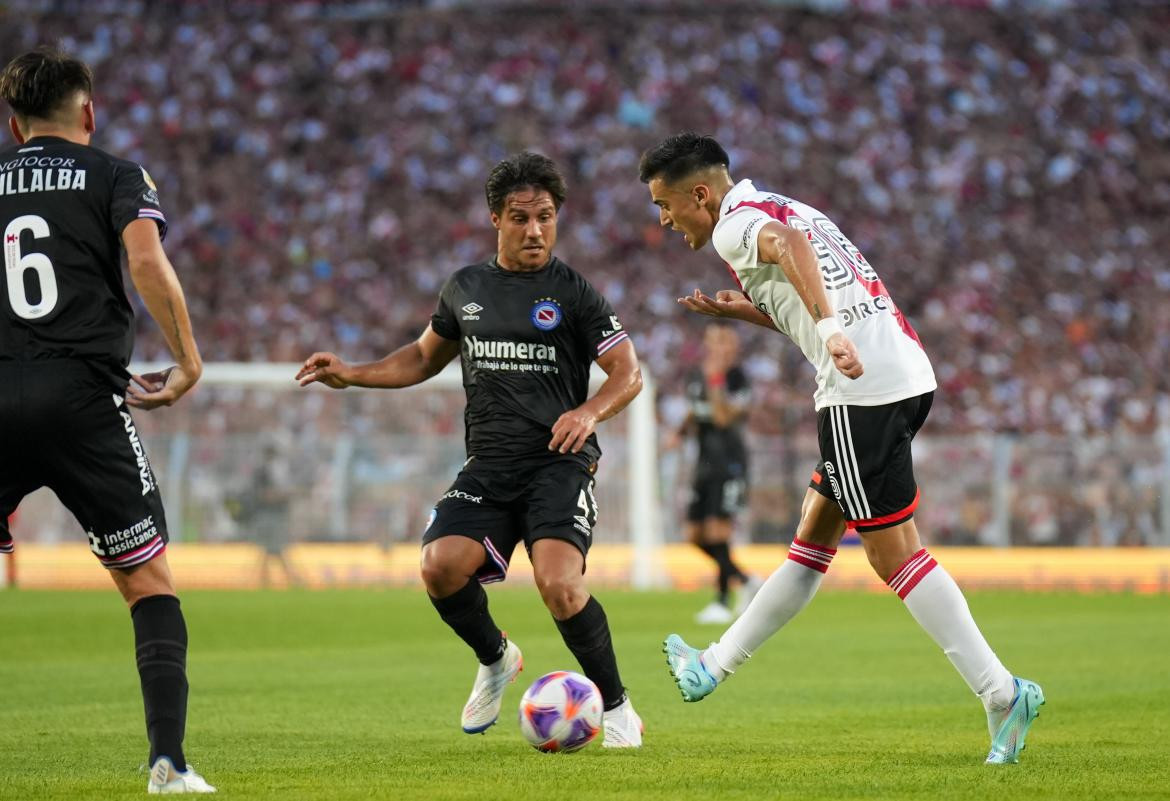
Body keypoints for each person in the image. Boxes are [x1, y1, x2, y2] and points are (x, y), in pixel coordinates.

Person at [639, 132, 1043, 765]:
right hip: (903, 372)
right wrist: (743, 313)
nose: (664, 221)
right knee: (812, 540)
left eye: (665, 205)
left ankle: (1002, 692)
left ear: (700, 192)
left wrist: (829, 335)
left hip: (860, 392)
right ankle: (711, 665)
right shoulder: (787, 205)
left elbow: (792, 257)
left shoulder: (736, 226)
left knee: (893, 556)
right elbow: (808, 278)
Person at [298, 152, 646, 747]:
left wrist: (588, 412)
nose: (534, 230)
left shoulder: (575, 293)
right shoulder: (466, 287)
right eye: (520, 218)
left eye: (545, 217)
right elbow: (421, 358)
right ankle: (496, 658)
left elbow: (628, 372)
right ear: (495, 219)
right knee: (438, 567)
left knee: (560, 586)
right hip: (489, 464)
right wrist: (351, 372)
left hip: (557, 464)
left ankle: (616, 709)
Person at [0, 48, 215, 793]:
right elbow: (148, 264)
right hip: (83, 398)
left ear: (13, 122)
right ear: (87, 112)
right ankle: (167, 763)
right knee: (148, 578)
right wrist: (187, 359)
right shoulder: (116, 173)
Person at [665, 323, 760, 623]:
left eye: (725, 343)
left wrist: (715, 379)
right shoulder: (696, 375)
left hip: (730, 463)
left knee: (719, 531)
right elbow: (697, 410)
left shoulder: (736, 378)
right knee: (694, 535)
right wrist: (679, 433)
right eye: (715, 342)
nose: (720, 348)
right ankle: (746, 580)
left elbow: (722, 417)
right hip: (704, 464)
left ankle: (721, 600)